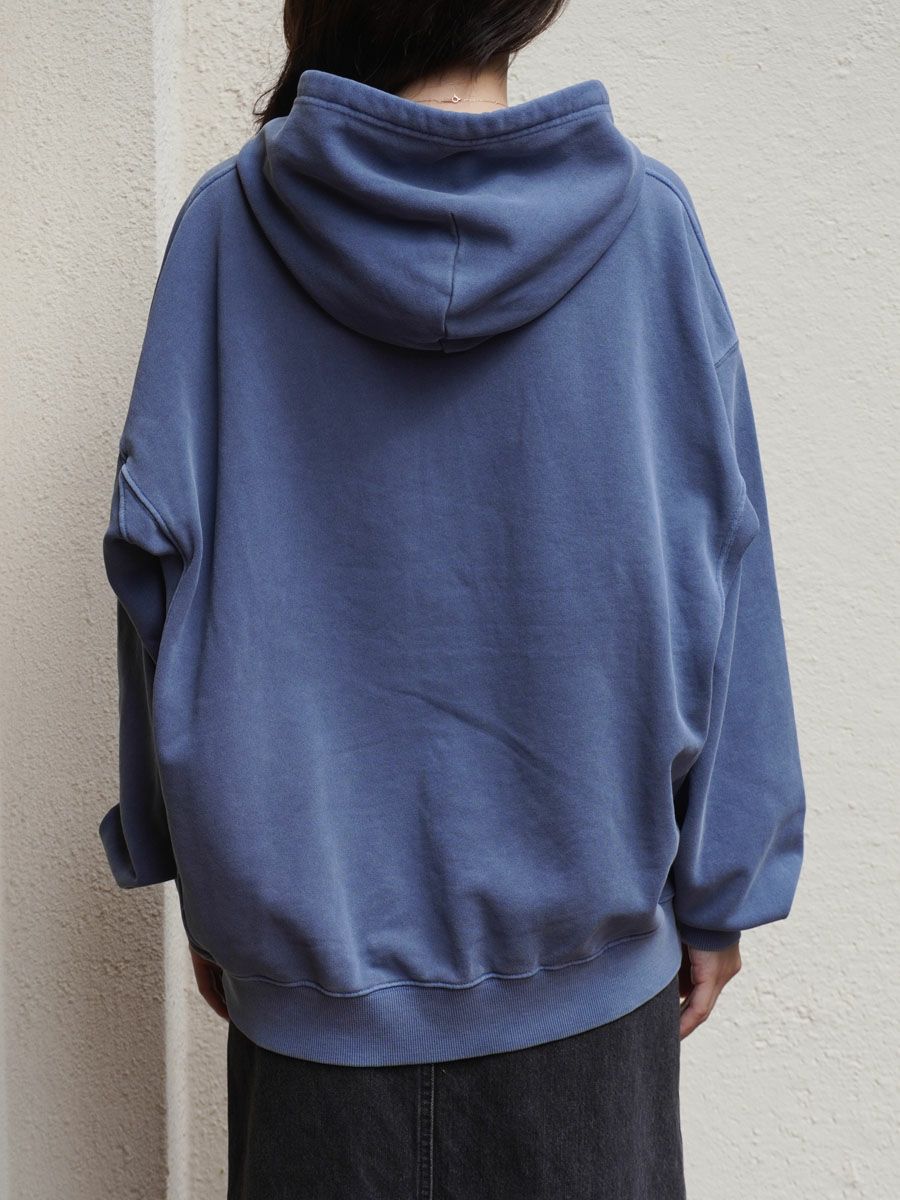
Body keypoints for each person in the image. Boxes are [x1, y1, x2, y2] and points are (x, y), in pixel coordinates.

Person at [98, 2, 807, 1196]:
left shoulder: (228, 230)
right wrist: (723, 888)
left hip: (314, 1020)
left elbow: (150, 576)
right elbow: (729, 565)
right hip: (589, 1018)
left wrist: (195, 873)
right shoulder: (646, 227)